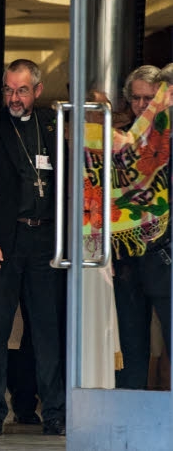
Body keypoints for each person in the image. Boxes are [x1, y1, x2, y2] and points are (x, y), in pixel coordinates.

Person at [0, 59, 66, 436]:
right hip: (2, 245)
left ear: (37, 91)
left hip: (44, 243)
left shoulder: (53, 129)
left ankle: (53, 410)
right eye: (8, 89)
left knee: (47, 331)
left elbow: (65, 191)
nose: (14, 97)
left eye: (22, 90)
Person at [112, 65, 171, 390]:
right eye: (135, 98)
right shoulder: (118, 138)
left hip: (165, 254)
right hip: (127, 258)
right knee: (131, 345)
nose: (141, 105)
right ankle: (129, 417)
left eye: (148, 98)